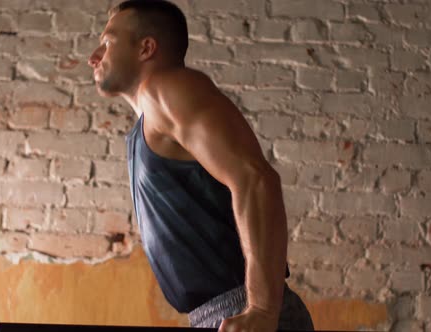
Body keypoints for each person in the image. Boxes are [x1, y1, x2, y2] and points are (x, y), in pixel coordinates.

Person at [87, 1, 314, 331]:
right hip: (214, 315)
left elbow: (256, 179)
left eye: (107, 43)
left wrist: (262, 309)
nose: (94, 56)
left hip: (243, 310)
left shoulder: (164, 89)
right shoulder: (146, 126)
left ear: (146, 48)